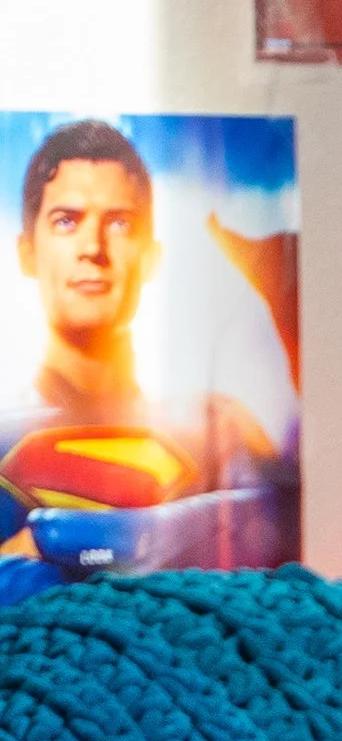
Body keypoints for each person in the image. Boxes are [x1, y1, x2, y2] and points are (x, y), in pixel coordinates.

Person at [3, 122, 295, 572]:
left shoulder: (221, 430)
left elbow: (283, 548)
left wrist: (58, 541)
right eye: (67, 221)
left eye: (119, 223)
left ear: (151, 255)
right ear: (27, 252)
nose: (93, 248)